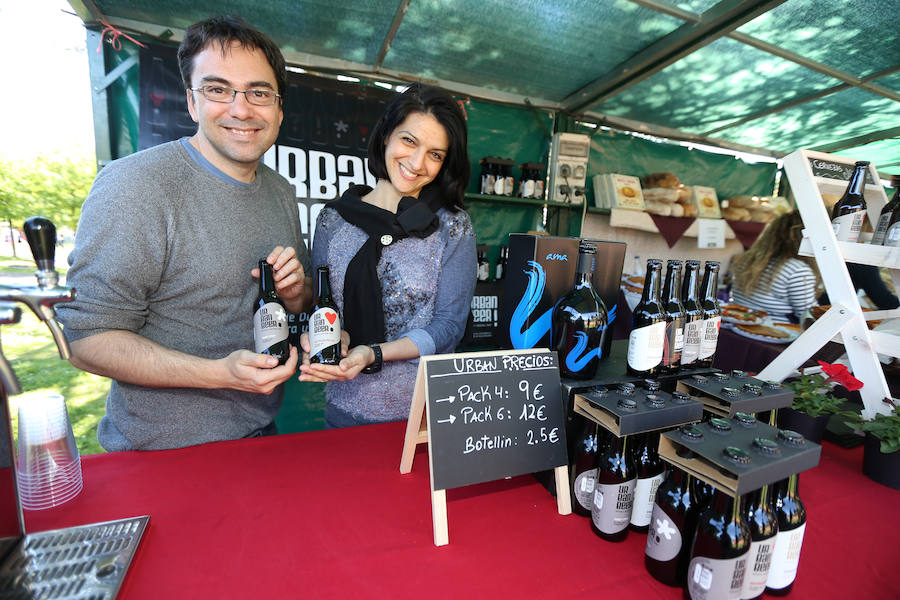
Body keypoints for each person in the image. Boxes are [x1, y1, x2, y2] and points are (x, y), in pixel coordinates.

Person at [57, 15, 313, 451]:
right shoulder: (136, 185)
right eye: (217, 89)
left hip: (259, 441)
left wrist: (296, 294)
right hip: (160, 454)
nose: (241, 108)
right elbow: (84, 340)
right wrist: (219, 374)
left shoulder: (280, 192)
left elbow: (301, 302)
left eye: (259, 92)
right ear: (192, 103)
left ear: (279, 108)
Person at [298, 83, 476, 428]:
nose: (417, 163)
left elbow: (449, 327)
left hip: (423, 418)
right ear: (386, 136)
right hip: (344, 410)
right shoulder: (334, 219)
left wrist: (375, 352)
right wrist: (336, 340)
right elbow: (327, 307)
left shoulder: (451, 226)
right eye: (409, 141)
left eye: (435, 154)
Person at [730, 211, 819, 323]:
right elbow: (808, 317)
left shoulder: (748, 259)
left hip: (739, 327)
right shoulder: (797, 270)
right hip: (776, 334)